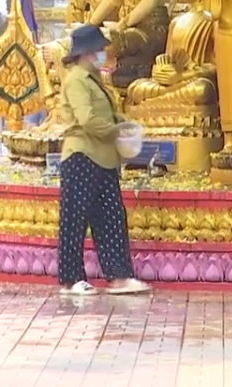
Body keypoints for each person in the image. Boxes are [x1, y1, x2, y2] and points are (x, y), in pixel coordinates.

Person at [56, 25, 149, 295]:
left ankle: (119, 276)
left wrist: (123, 123)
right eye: (98, 49)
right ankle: (71, 280)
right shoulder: (75, 80)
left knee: (111, 217)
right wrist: (114, 131)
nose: (102, 54)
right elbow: (86, 119)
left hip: (106, 158)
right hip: (82, 155)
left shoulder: (96, 78)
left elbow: (107, 113)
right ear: (86, 52)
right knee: (74, 221)